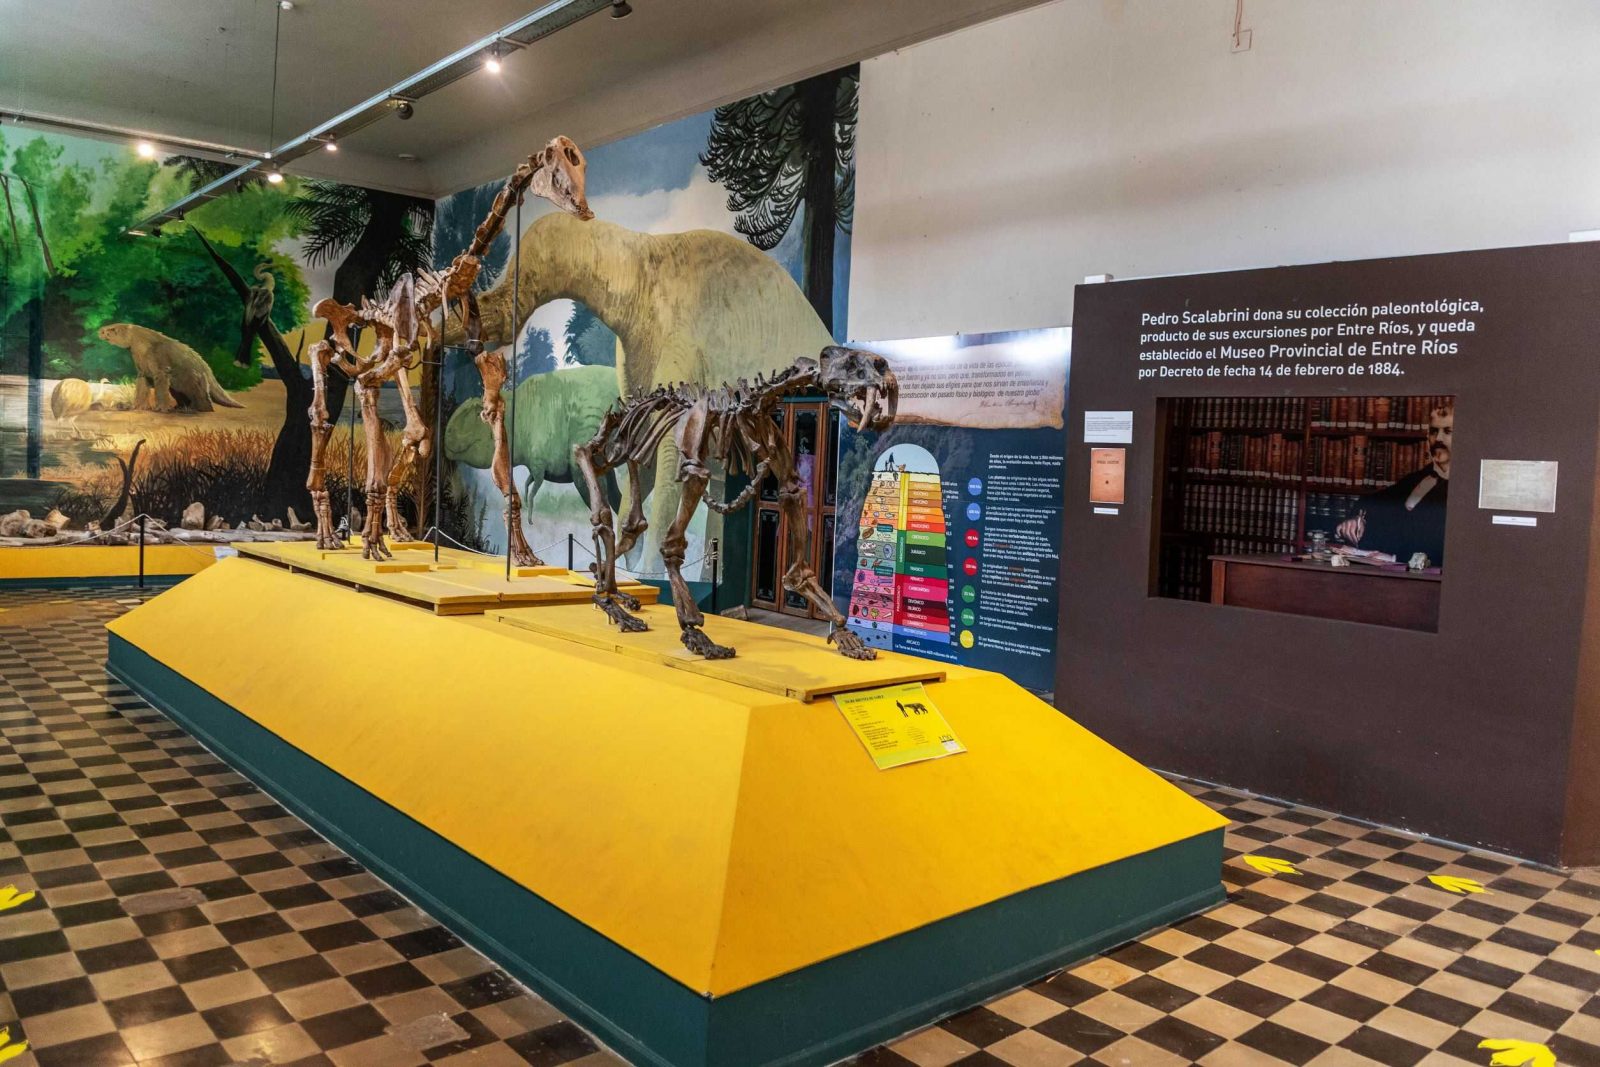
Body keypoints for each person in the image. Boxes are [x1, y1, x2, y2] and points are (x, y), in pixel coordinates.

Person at [1336, 399, 1452, 567]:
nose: (1438, 438)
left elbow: (1452, 550)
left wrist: (1394, 559)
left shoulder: (1468, 489)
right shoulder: (1417, 479)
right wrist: (1357, 519)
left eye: (1448, 431)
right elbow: (1373, 502)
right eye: (1434, 431)